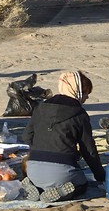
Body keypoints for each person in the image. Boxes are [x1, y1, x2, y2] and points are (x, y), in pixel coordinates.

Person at [22, 70, 104, 202]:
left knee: (46, 179)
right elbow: (89, 151)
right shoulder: (80, 114)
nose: (87, 98)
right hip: (62, 172)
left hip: (33, 170)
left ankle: (34, 186)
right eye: (86, 93)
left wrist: (42, 148)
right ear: (77, 91)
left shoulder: (41, 107)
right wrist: (101, 177)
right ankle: (61, 192)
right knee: (81, 183)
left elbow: (26, 136)